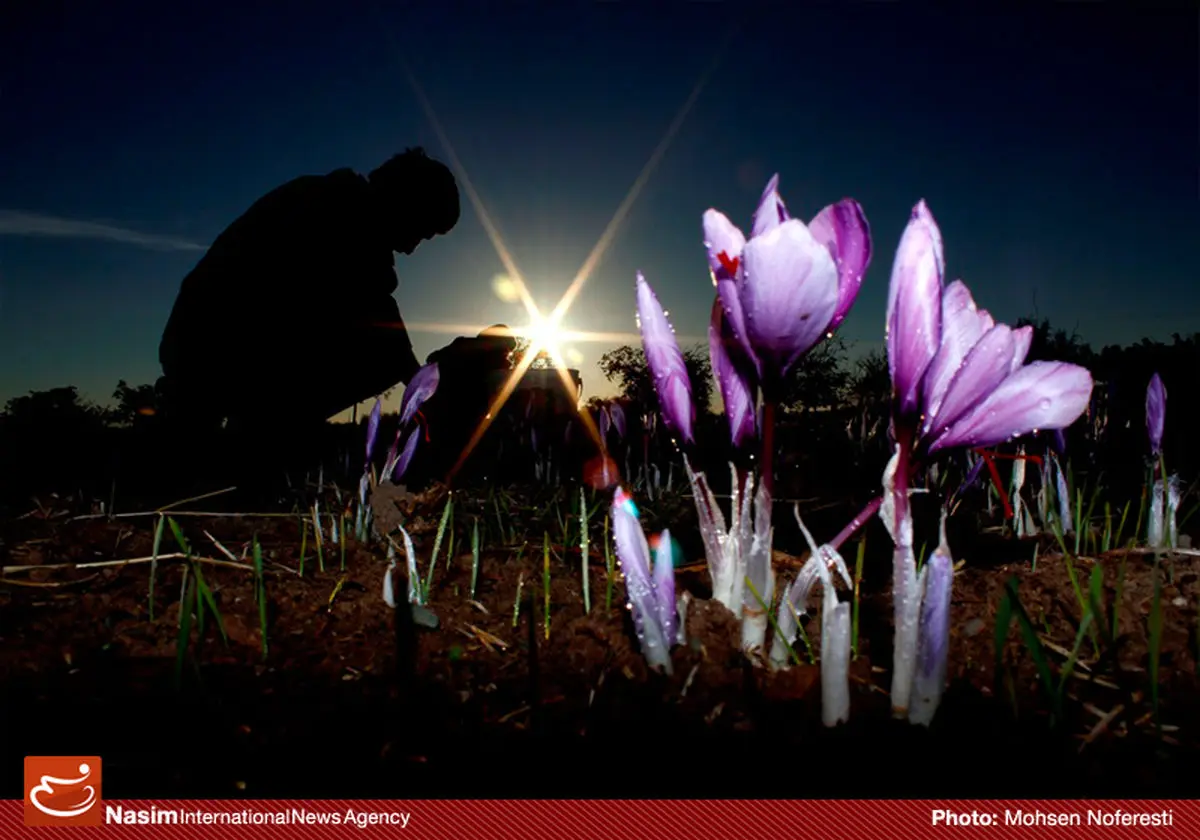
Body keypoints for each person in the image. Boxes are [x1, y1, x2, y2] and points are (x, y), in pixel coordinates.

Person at [155, 148, 460, 498]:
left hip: (204, 345)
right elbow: (379, 320)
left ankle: (243, 440)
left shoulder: (331, 201)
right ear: (405, 201)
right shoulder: (336, 213)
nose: (411, 248)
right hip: (213, 348)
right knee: (374, 357)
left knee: (373, 350)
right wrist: (423, 395)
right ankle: (254, 442)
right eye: (421, 231)